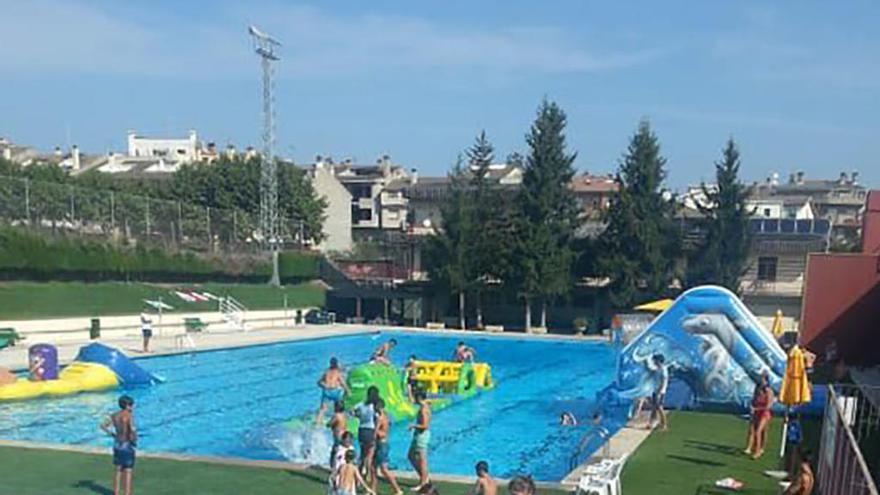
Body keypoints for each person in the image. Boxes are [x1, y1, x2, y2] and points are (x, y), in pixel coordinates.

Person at [99, 395, 137, 495]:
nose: (132, 407)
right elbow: (132, 430)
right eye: (131, 405)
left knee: (118, 469)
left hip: (117, 444)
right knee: (128, 470)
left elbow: (103, 426)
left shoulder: (114, 415)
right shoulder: (129, 416)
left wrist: (112, 434)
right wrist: (134, 440)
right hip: (126, 444)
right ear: (127, 405)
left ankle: (116, 493)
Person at [371, 399, 403, 495]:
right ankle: (373, 490)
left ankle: (397, 489)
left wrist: (372, 440)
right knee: (373, 468)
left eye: (375, 406)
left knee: (384, 469)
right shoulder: (386, 416)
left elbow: (376, 432)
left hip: (381, 445)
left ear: (378, 407)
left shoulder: (379, 418)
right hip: (383, 444)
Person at [745, 373, 775, 459]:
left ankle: (758, 451)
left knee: (759, 431)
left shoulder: (769, 391)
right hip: (757, 412)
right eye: (761, 379)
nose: (761, 381)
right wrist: (752, 407)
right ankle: (751, 447)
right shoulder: (757, 389)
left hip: (765, 414)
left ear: (766, 381)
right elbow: (754, 400)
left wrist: (756, 409)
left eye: (763, 379)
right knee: (753, 430)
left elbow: (768, 406)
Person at [408, 389, 432, 492]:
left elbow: (425, 425)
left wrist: (413, 425)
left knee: (422, 460)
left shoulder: (423, 409)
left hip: (422, 436)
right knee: (411, 456)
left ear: (419, 398)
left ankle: (423, 483)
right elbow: (411, 401)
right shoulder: (424, 406)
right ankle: (424, 478)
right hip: (419, 435)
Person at [353, 386, 380, 477]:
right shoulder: (374, 407)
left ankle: (359, 473)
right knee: (370, 455)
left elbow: (352, 411)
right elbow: (377, 419)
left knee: (362, 454)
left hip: (361, 430)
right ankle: (368, 474)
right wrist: (375, 434)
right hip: (370, 430)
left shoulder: (361, 404)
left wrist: (359, 416)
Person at [317, 357, 350, 424]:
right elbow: (342, 382)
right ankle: (340, 420)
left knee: (322, 409)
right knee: (339, 408)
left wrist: (324, 385)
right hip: (335, 391)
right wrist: (348, 391)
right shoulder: (337, 372)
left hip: (326, 391)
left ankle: (317, 423)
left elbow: (318, 382)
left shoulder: (326, 372)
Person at [647, 354, 669, 431]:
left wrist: (659, 392)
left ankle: (664, 425)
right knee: (654, 407)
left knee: (659, 407)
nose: (654, 362)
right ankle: (652, 423)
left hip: (660, 391)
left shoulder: (663, 369)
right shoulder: (659, 368)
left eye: (655, 360)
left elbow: (663, 381)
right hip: (655, 390)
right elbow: (652, 371)